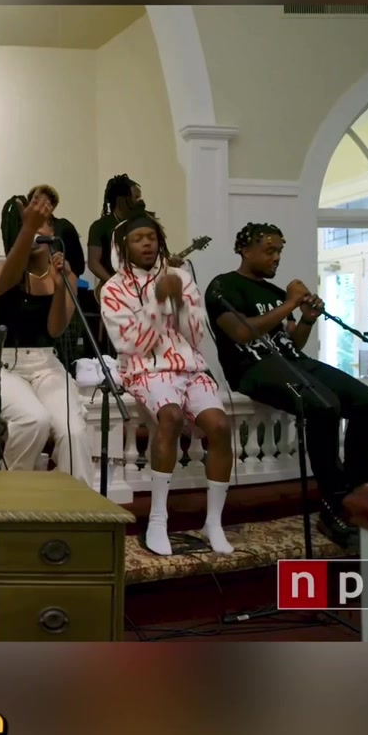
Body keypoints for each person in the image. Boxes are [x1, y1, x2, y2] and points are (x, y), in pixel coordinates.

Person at [205, 223, 368, 551]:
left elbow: (293, 341)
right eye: (269, 250)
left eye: (279, 251)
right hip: (253, 367)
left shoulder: (276, 293)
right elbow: (242, 333)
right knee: (323, 405)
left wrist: (306, 318)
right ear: (245, 250)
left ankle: (357, 496)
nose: (276, 257)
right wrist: (291, 303)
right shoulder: (223, 287)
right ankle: (333, 504)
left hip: (293, 361)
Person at [101, 210, 233, 557]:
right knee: (170, 416)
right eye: (138, 239)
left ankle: (214, 522)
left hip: (190, 367)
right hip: (145, 368)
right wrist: (158, 303)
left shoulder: (180, 277)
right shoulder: (113, 289)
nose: (147, 243)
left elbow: (197, 336)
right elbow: (131, 344)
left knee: (220, 426)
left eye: (151, 237)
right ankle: (158, 519)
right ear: (123, 247)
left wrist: (180, 303)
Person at [0, 189, 93, 479]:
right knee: (33, 420)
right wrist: (29, 227)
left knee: (73, 431)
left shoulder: (67, 276)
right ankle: (12, 495)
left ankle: (79, 501)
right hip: (2, 364)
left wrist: (59, 287)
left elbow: (55, 329)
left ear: (52, 232)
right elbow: (3, 283)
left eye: (38, 224)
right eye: (24, 226)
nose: (33, 230)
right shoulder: (1, 271)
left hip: (46, 363)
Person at [87, 174, 143, 285]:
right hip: (113, 287)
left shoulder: (141, 224)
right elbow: (93, 263)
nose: (140, 201)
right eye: (136, 197)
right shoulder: (100, 226)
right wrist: (116, 285)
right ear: (121, 200)